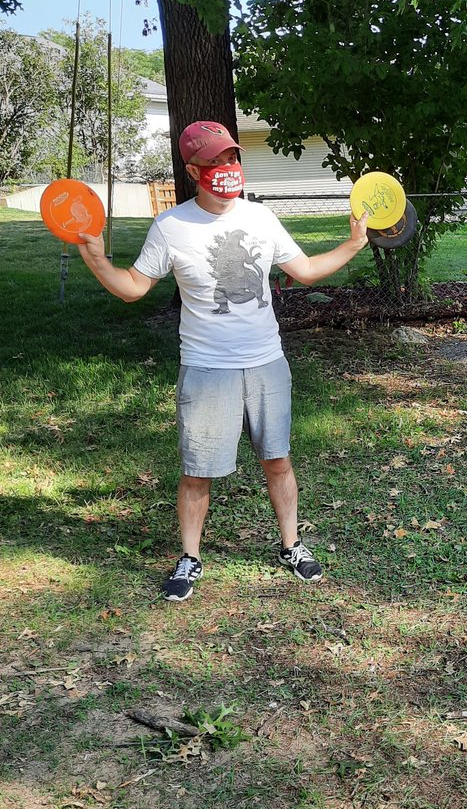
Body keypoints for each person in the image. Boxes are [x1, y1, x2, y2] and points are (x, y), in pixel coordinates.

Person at [76, 120, 370, 601]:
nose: (227, 167)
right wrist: (96, 260)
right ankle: (190, 558)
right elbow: (133, 289)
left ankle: (291, 545)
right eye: (214, 161)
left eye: (231, 157)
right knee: (198, 470)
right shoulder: (171, 226)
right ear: (193, 170)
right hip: (206, 367)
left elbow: (306, 271)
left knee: (278, 460)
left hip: (267, 362)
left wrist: (354, 243)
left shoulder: (261, 218)